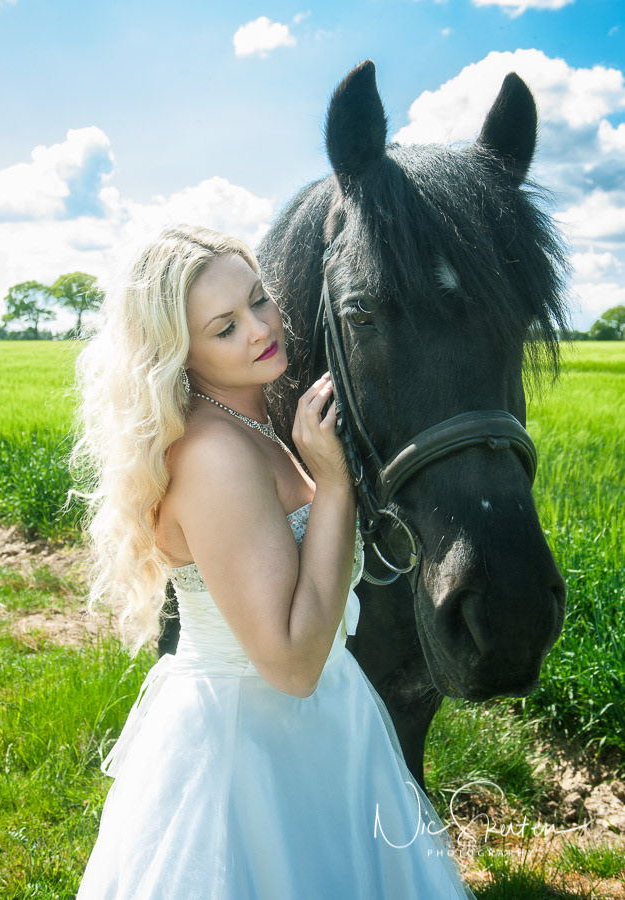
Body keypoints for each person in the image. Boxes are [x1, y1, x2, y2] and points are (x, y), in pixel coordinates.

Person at [73, 224, 476, 899]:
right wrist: (335, 485)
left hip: (325, 724)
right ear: (180, 350)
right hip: (248, 755)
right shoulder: (214, 457)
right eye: (223, 327)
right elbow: (291, 665)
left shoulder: (256, 421)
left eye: (259, 299)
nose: (261, 328)